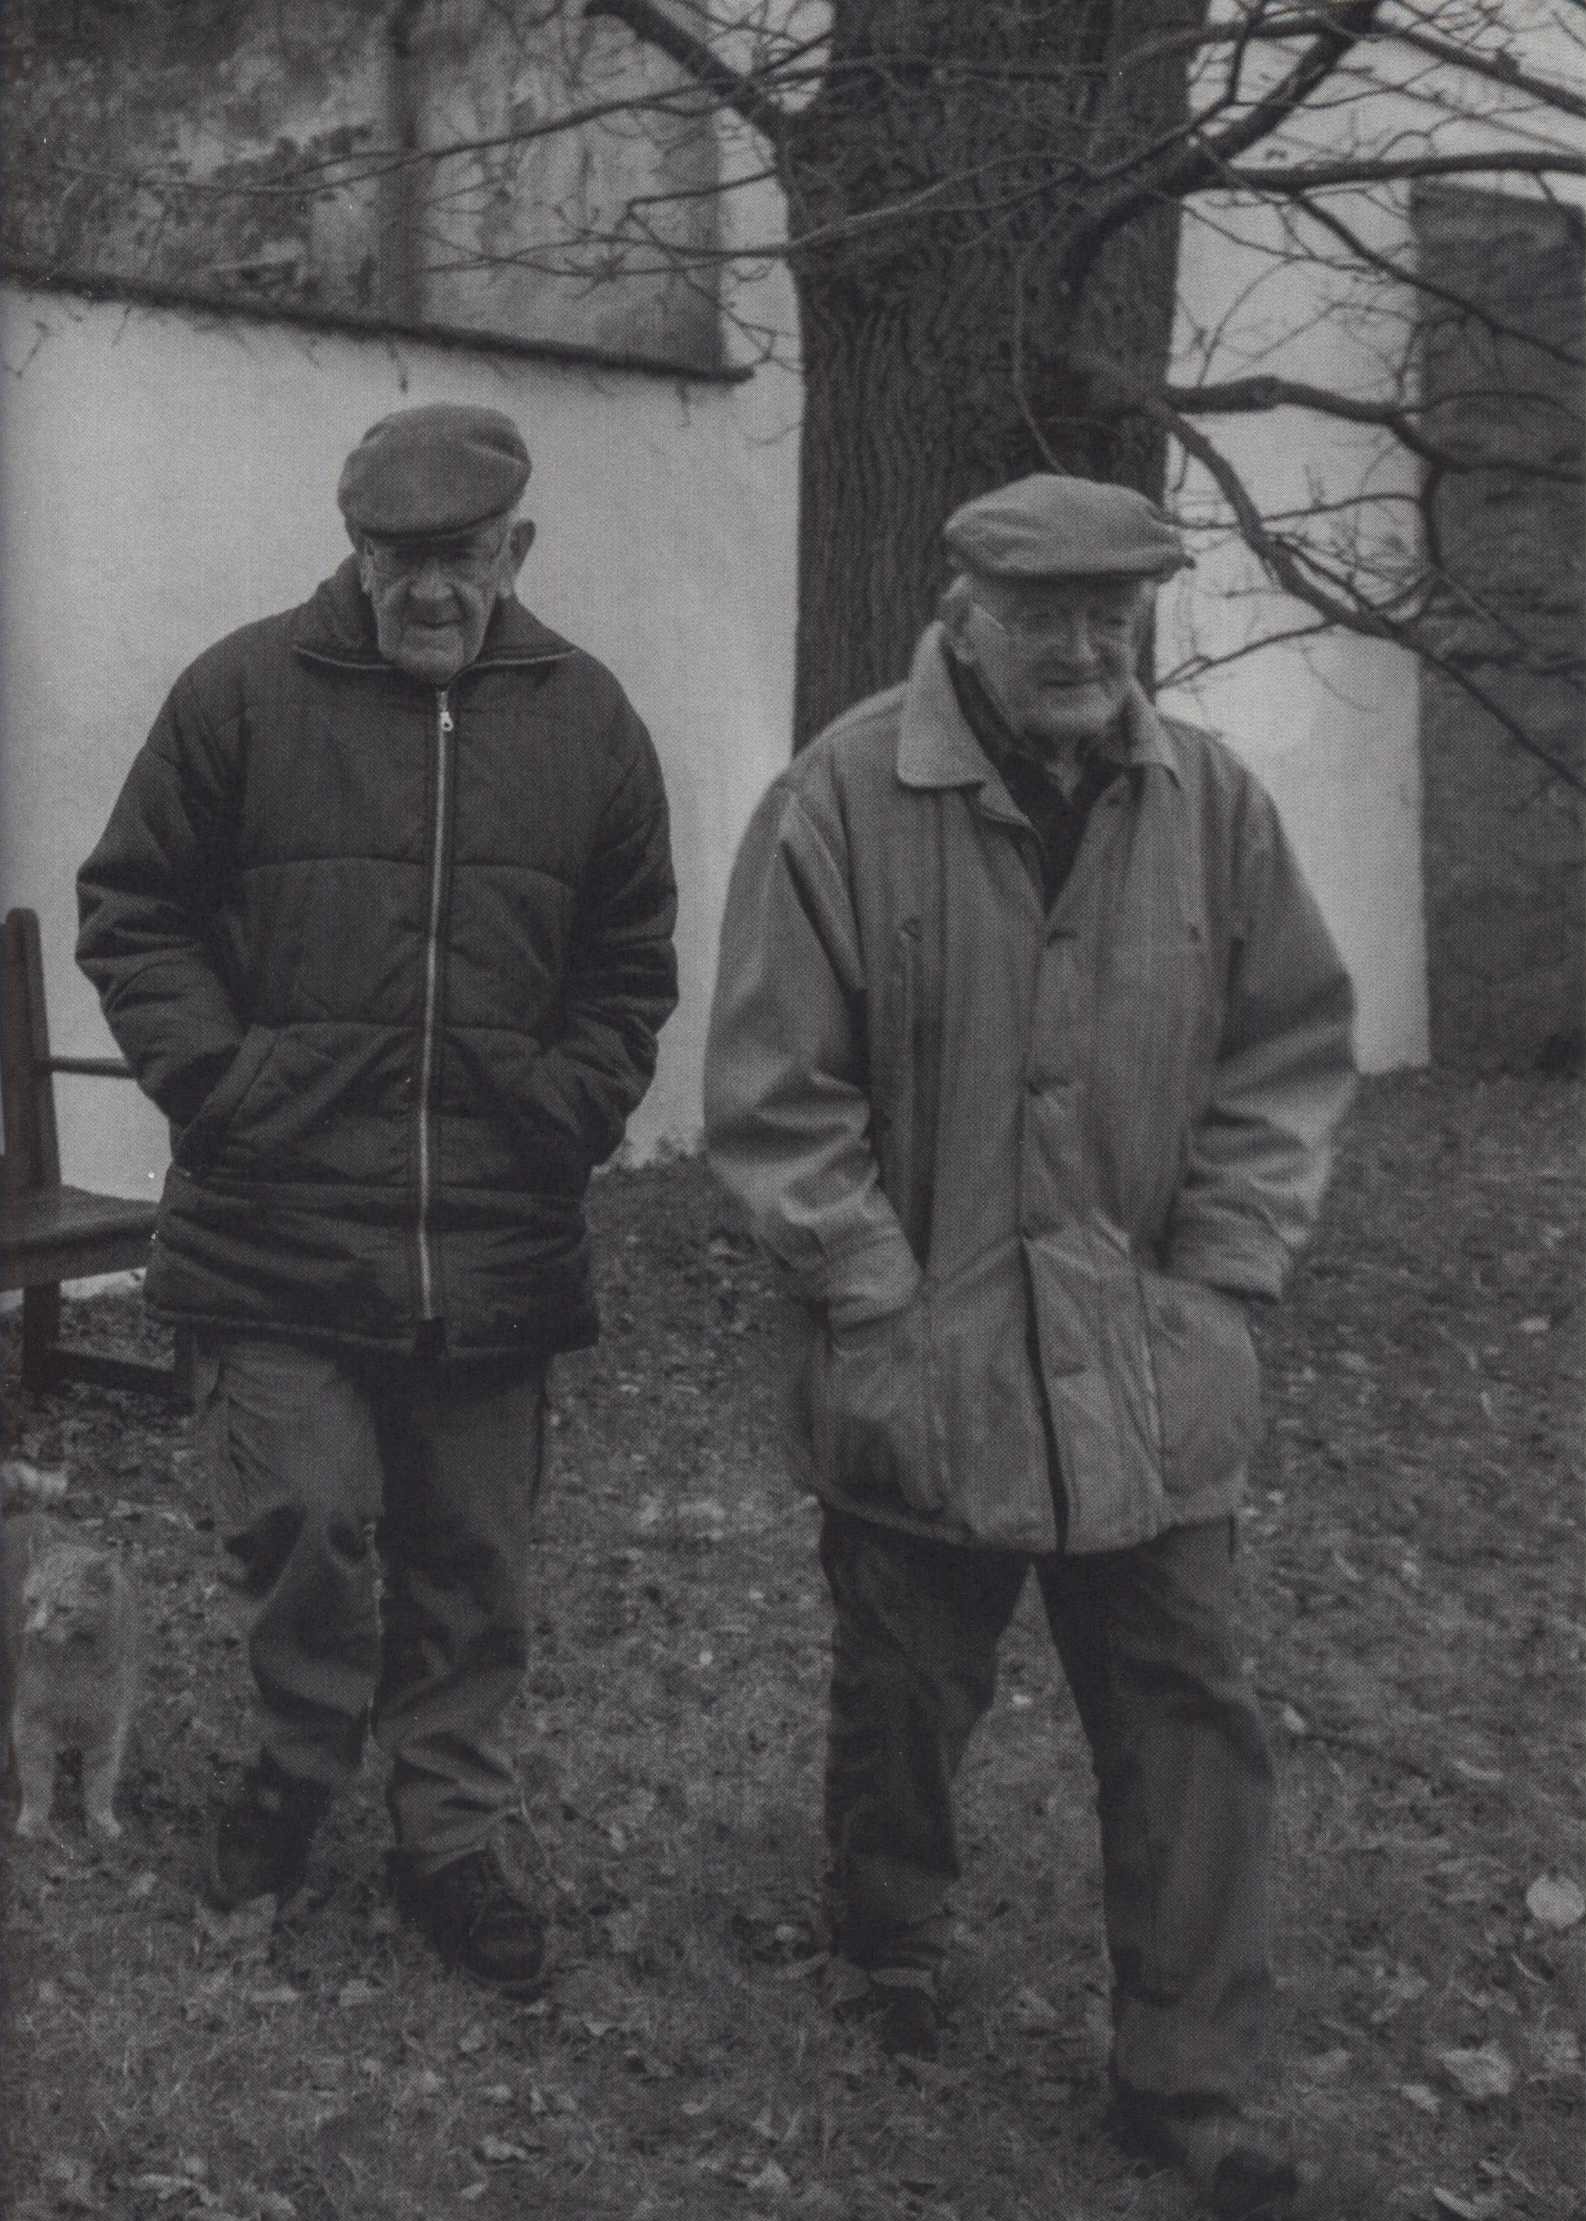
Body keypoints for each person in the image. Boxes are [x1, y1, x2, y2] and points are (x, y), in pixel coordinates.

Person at [703, 473, 1356, 2215]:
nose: (1080, 647)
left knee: (1188, 1709)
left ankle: (1191, 2080)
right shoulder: (842, 796)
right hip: (927, 1354)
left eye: (1109, 614)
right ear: (964, 615)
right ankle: (887, 1937)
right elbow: (776, 1090)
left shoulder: (1211, 804)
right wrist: (874, 1294)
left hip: (1149, 1367)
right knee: (906, 1683)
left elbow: (1284, 1053)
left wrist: (1221, 1269)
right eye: (1042, 614)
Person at [77, 402, 677, 1996]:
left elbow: (629, 960)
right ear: (352, 550)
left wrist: (563, 1107)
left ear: (514, 550)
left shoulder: (587, 719)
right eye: (396, 556)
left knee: (473, 1555)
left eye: (460, 556)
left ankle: (448, 1840)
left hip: (493, 1226)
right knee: (307, 1517)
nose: (428, 589)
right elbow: (131, 908)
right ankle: (292, 1772)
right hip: (274, 1219)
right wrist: (227, 1085)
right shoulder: (239, 693)